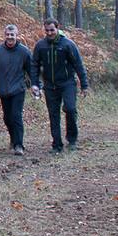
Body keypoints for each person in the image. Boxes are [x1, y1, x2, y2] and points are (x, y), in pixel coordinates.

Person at [30, 18, 88, 152]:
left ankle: (72, 139)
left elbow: (78, 64)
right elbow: (35, 65)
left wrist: (84, 85)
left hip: (67, 83)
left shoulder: (68, 44)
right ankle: (57, 144)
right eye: (47, 30)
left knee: (70, 109)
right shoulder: (40, 45)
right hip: (50, 85)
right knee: (53, 114)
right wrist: (35, 84)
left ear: (58, 28)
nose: (49, 33)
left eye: (52, 30)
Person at [0, 24, 33, 155]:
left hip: (18, 89)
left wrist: (36, 85)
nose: (10, 37)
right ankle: (13, 139)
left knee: (16, 116)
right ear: (4, 35)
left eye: (12, 35)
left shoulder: (24, 51)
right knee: (7, 117)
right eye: (8, 35)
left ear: (17, 36)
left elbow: (32, 70)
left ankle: (19, 145)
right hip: (3, 89)